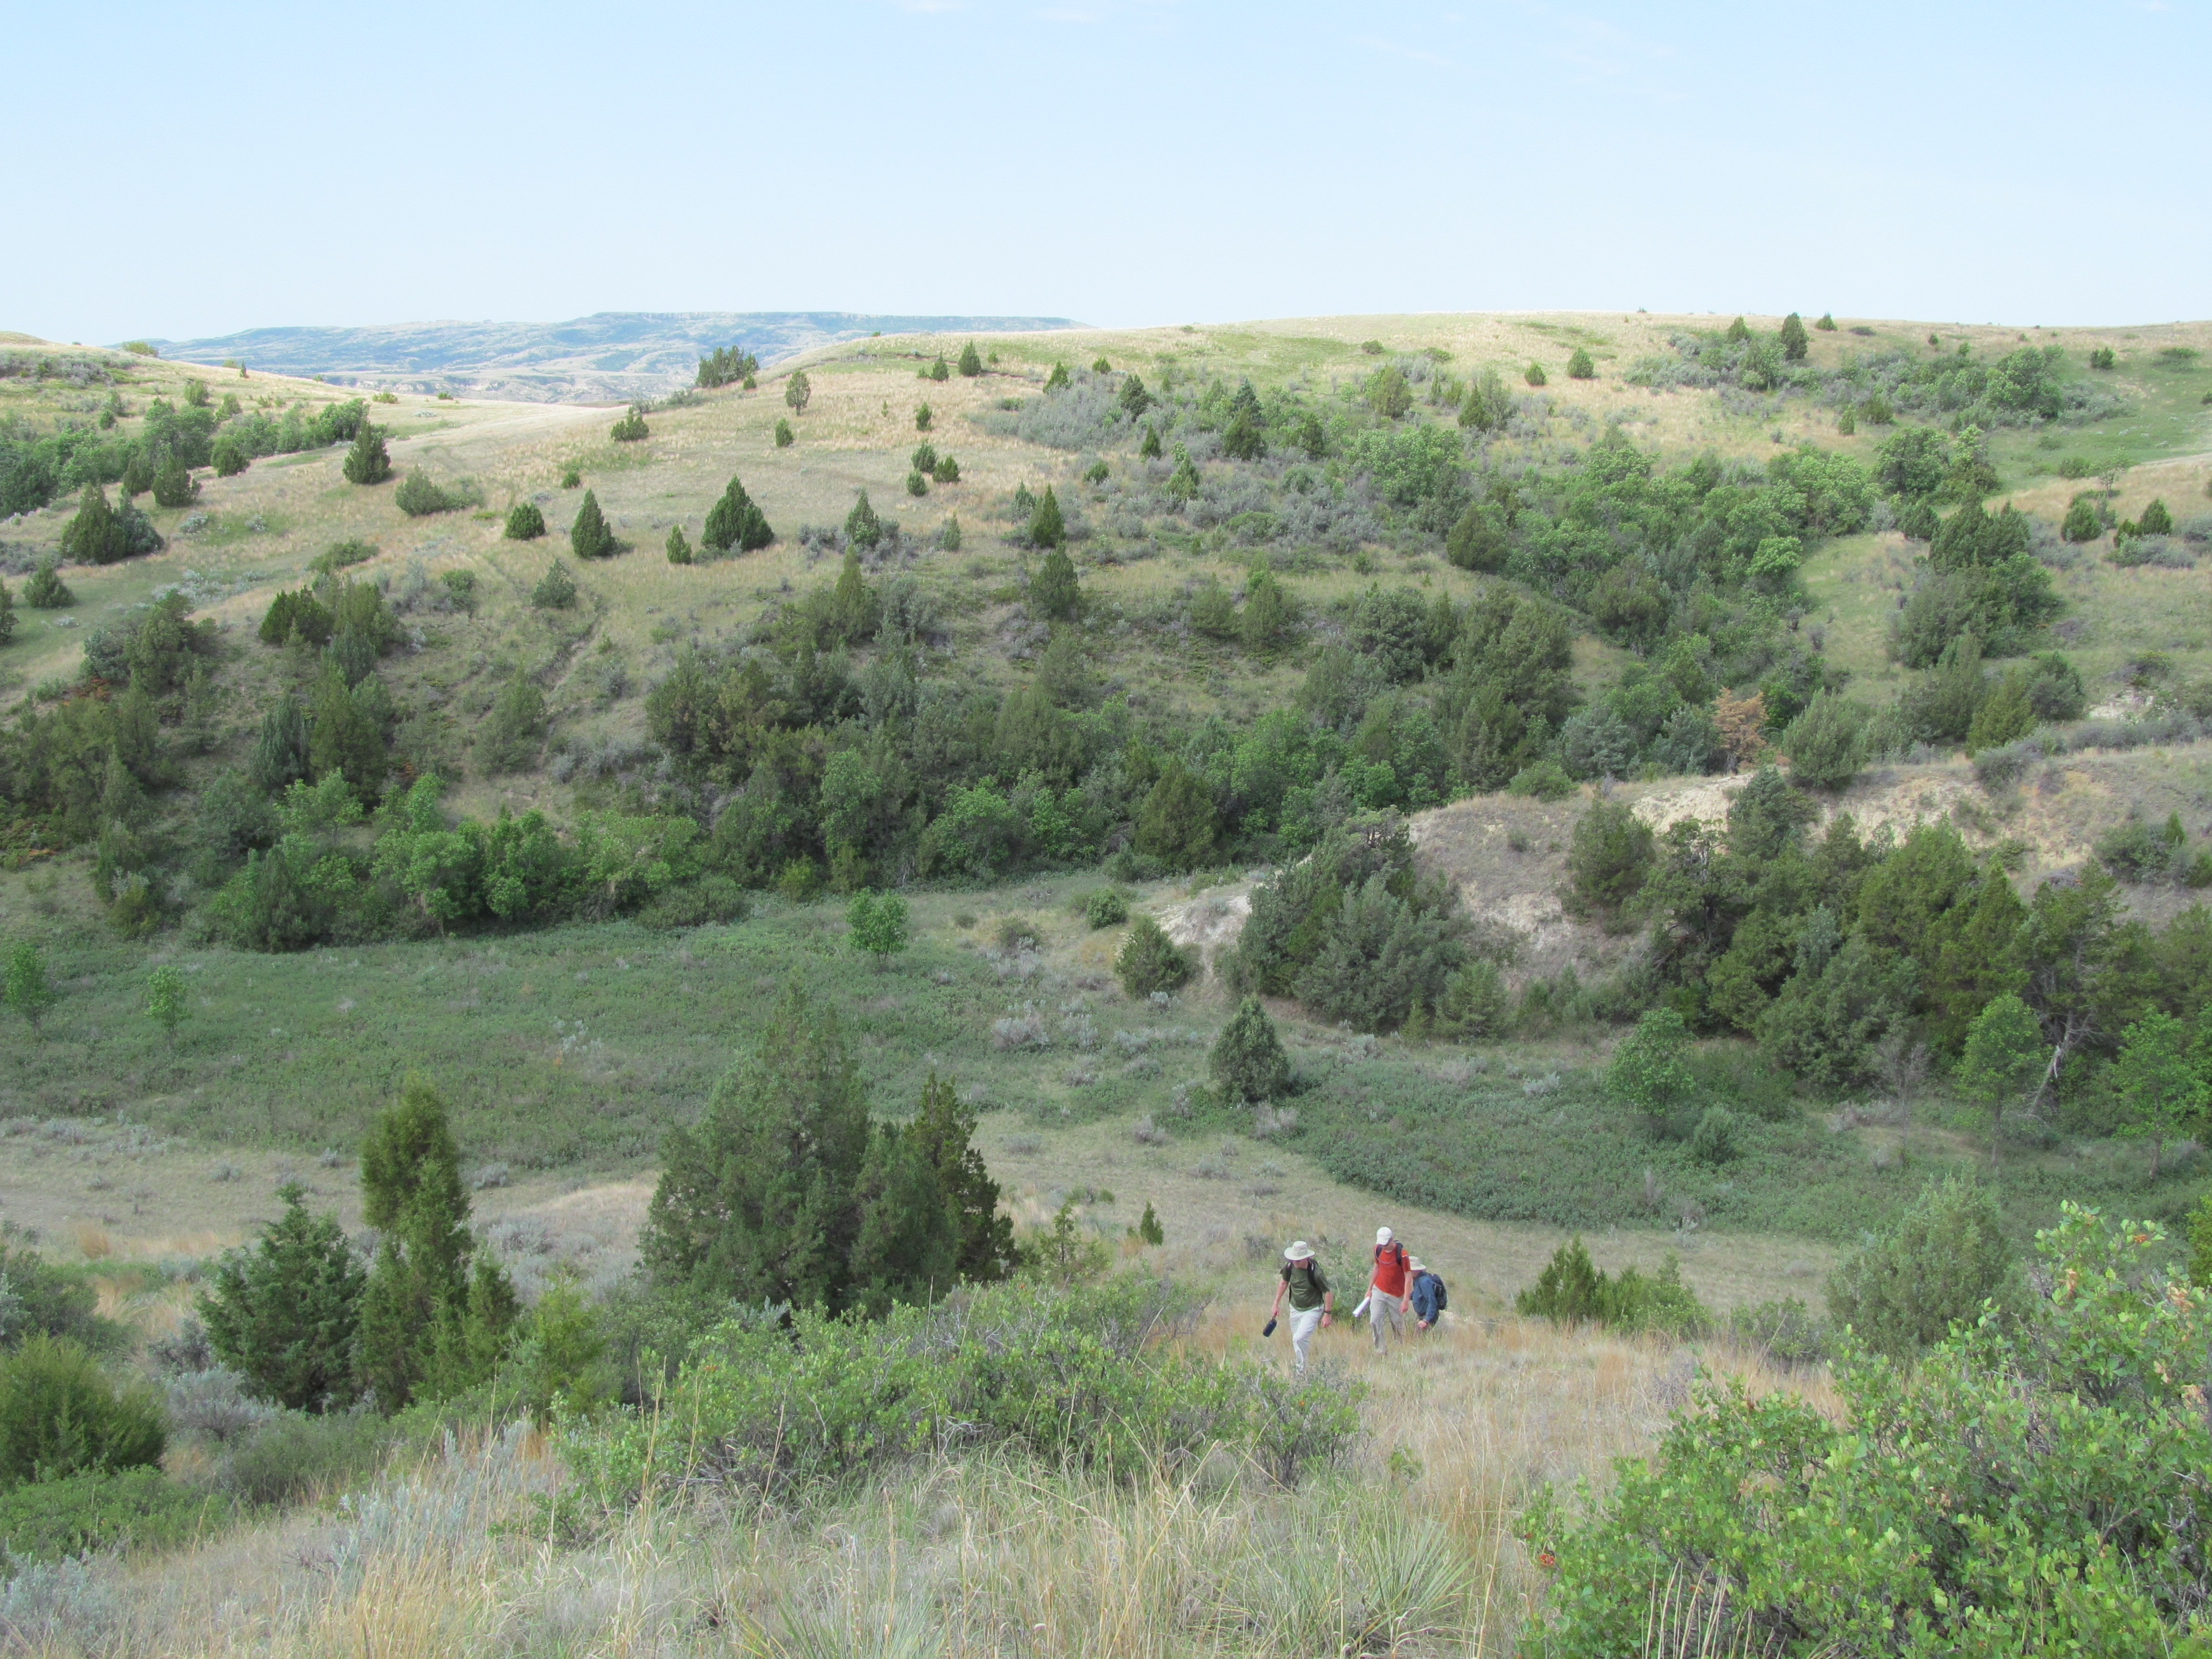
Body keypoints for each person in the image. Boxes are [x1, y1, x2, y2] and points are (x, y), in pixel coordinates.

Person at [1268, 1240, 1332, 1373]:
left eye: (1298, 1260)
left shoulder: (1316, 1273)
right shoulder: (1289, 1267)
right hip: (1295, 1308)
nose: (1295, 1262)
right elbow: (1284, 1283)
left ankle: (1301, 1370)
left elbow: (1328, 1292)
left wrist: (1327, 1313)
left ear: (1306, 1258)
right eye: (1293, 1259)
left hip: (1313, 1309)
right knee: (1297, 1339)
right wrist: (1276, 1303)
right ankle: (1302, 1367)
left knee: (1299, 1338)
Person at [1368, 1226, 1412, 1351]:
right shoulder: (1377, 1250)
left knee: (1397, 1323)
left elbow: (1408, 1276)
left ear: (1391, 1239)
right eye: (1382, 1244)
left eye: (1386, 1243)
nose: (1384, 1246)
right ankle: (1380, 1350)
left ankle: (1400, 1349)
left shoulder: (1402, 1255)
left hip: (1396, 1295)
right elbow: (1377, 1267)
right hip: (1379, 1290)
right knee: (1374, 1320)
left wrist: (1405, 1300)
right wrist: (1369, 1289)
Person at [1409, 1256, 1444, 1332]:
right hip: (1423, 1315)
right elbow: (1417, 1294)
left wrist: (1426, 1320)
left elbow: (1432, 1301)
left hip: (1427, 1316)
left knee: (1418, 1339)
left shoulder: (1424, 1282)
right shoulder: (1417, 1280)